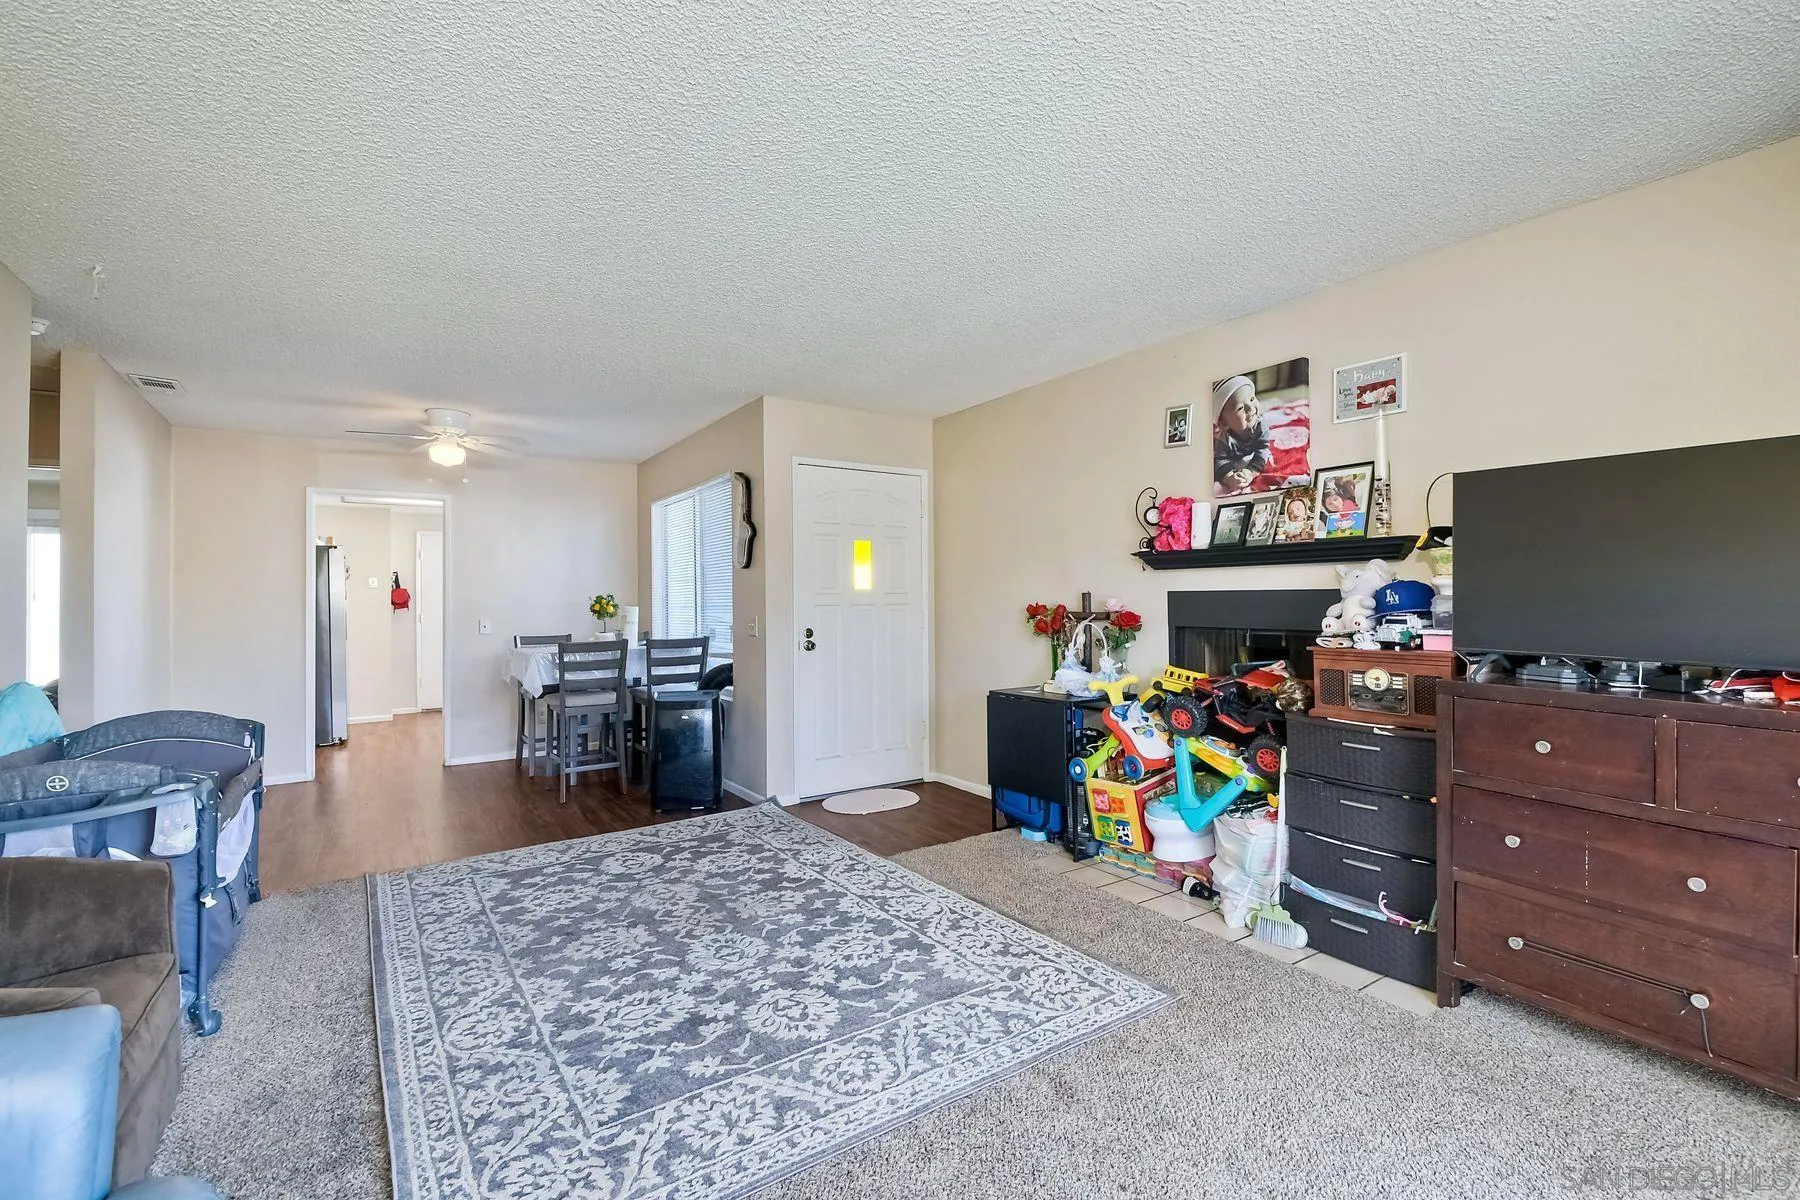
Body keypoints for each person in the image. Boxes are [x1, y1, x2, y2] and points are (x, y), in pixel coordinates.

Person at [1213, 375, 1272, 494]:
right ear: (1224, 422)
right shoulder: (1222, 437)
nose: (1250, 408)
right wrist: (1229, 477)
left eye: (1252, 399)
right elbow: (1219, 460)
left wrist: (1251, 472)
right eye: (1240, 408)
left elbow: (1263, 450)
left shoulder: (1261, 427)